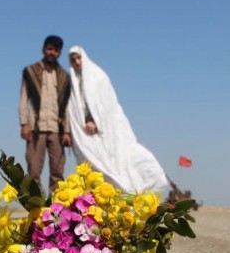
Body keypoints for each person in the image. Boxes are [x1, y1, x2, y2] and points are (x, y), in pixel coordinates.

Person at [67, 45, 170, 194]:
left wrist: (96, 123)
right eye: (73, 60)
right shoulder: (74, 84)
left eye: (79, 58)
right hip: (89, 135)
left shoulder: (98, 77)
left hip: (108, 130)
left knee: (124, 159)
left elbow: (108, 105)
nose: (77, 62)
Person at [19, 36, 72, 194]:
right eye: (50, 49)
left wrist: (67, 131)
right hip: (36, 128)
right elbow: (23, 99)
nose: (52, 53)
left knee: (57, 173)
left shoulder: (64, 76)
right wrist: (24, 123)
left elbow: (68, 106)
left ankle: (54, 211)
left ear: (59, 53)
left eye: (56, 50)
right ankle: (36, 209)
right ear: (43, 49)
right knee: (34, 172)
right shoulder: (31, 71)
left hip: (58, 129)